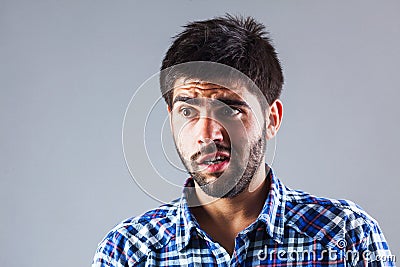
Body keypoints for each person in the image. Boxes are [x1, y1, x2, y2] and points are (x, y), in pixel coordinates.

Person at [92, 14, 394, 266]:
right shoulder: (128, 252)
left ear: (271, 118)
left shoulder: (347, 237)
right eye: (188, 111)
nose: (207, 135)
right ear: (170, 116)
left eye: (230, 109)